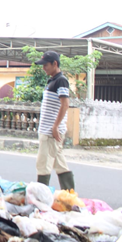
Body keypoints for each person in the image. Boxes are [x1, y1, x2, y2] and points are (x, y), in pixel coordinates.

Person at [34, 51, 75, 190]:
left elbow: (65, 104)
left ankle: (40, 196)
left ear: (55, 64)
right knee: (59, 163)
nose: (43, 68)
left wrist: (55, 126)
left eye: (46, 65)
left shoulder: (60, 80)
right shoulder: (52, 80)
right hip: (48, 129)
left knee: (43, 164)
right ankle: (69, 195)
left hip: (51, 131)